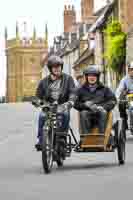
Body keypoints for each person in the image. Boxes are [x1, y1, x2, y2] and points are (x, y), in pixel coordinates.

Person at [33, 55, 76, 150]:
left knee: (65, 115)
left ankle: (62, 138)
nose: (57, 69)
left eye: (59, 66)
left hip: (63, 105)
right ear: (50, 69)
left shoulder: (68, 79)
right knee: (42, 116)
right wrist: (38, 102)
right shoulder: (43, 82)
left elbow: (73, 92)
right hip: (49, 106)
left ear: (61, 67)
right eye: (54, 67)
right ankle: (40, 140)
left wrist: (70, 102)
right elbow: (37, 96)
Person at [74, 65, 117, 135]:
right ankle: (86, 139)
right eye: (90, 75)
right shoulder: (80, 90)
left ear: (97, 77)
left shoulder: (105, 89)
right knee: (83, 113)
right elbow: (75, 103)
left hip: (100, 112)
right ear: (86, 77)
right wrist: (85, 105)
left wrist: (103, 107)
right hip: (87, 112)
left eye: (94, 75)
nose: (92, 78)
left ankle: (102, 137)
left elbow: (113, 100)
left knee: (103, 112)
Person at [116, 61, 133, 130]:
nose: (132, 71)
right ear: (128, 70)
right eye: (132, 70)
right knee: (123, 105)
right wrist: (117, 97)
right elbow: (119, 89)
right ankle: (125, 121)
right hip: (130, 97)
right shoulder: (125, 79)